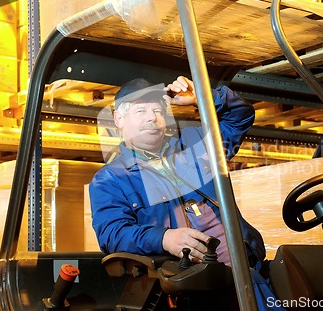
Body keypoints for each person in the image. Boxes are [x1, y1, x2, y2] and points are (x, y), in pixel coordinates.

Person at [89, 76, 283, 310]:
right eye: (141, 111)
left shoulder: (193, 145)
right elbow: (112, 233)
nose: (152, 117)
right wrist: (165, 238)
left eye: (158, 111)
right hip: (194, 285)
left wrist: (201, 97)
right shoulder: (111, 178)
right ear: (119, 119)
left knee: (307, 273)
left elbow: (240, 116)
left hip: (248, 268)